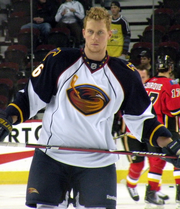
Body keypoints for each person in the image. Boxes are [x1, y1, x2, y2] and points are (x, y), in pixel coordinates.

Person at [0, 7, 180, 209]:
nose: (95, 37)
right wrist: (7, 119)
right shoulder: (59, 60)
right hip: (51, 158)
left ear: (109, 35)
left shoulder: (125, 74)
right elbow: (30, 100)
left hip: (98, 164)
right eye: (91, 32)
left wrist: (169, 143)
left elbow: (142, 120)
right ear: (84, 32)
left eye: (101, 32)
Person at [125, 55, 180, 207]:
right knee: (177, 162)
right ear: (170, 67)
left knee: (156, 163)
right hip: (167, 130)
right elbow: (175, 110)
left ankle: (151, 194)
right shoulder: (172, 83)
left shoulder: (149, 83)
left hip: (150, 130)